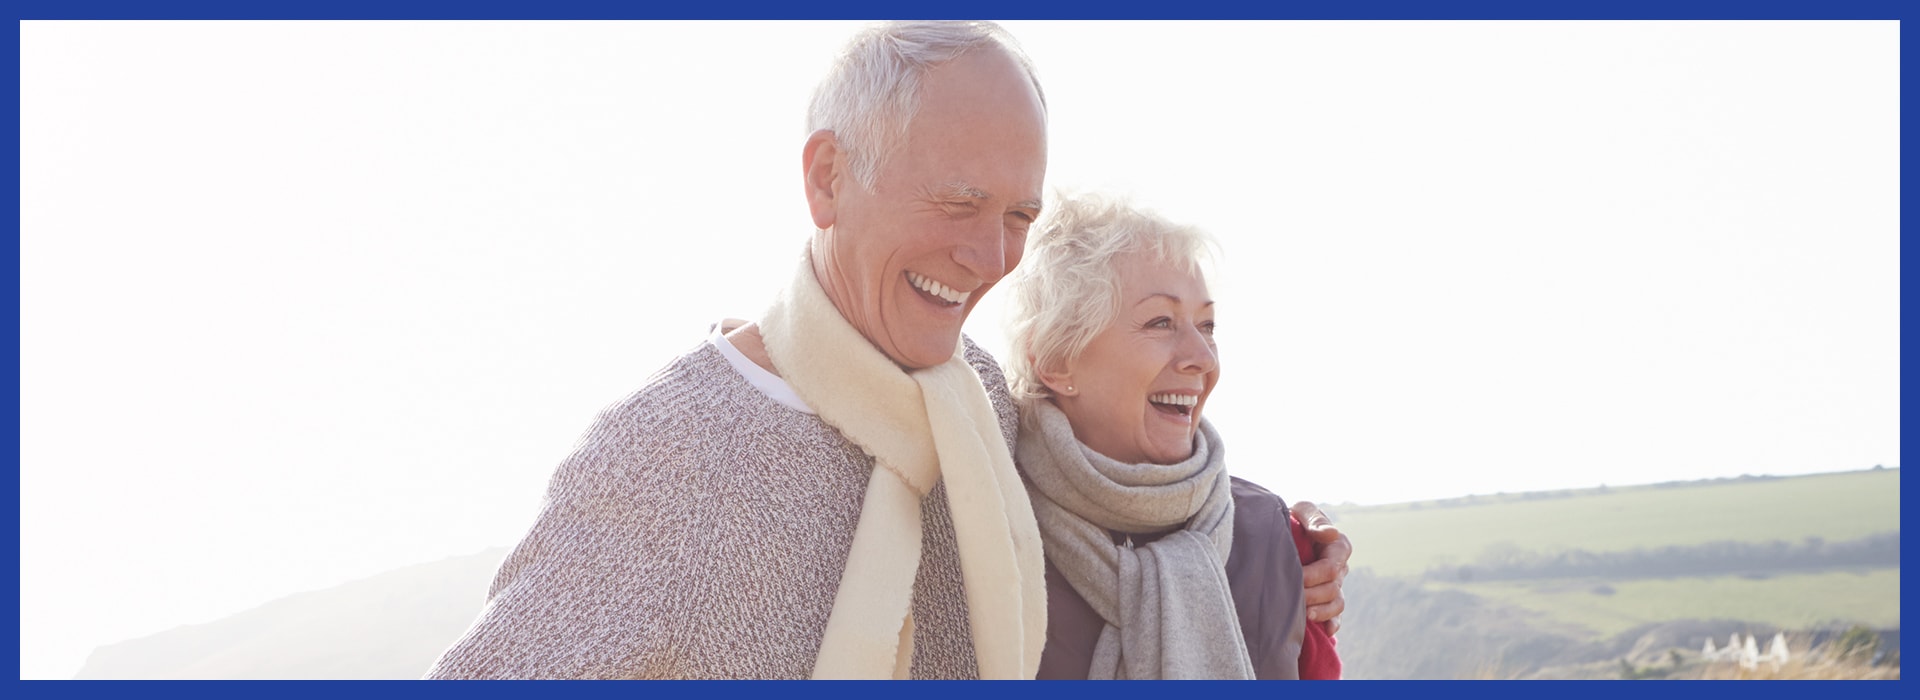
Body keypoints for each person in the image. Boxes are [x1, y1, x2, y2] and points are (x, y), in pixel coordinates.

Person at [425, 20, 1050, 680]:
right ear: (828, 179)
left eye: (1019, 217)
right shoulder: (666, 457)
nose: (992, 260)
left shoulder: (982, 403)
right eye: (958, 203)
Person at [1002, 193, 1344, 679]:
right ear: (1057, 360)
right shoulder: (983, 529)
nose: (1202, 358)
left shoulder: (1277, 536)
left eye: (1207, 325)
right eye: (1160, 322)